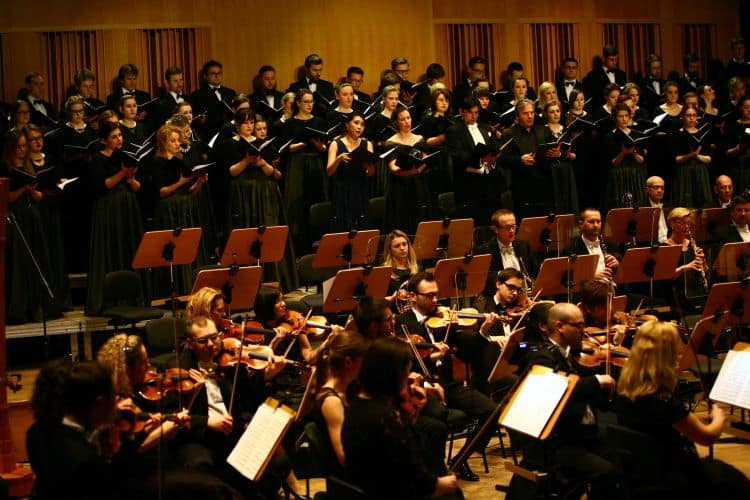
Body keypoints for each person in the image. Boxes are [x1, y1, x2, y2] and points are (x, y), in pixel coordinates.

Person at [615, 321, 750, 498]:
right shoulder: (663, 401)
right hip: (675, 476)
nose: (679, 355)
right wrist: (719, 417)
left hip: (643, 471)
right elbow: (707, 437)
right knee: (735, 479)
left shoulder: (624, 389)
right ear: (667, 355)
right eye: (676, 352)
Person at [397, 272, 499, 481]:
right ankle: (433, 471)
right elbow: (404, 363)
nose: (435, 300)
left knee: (492, 411)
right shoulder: (402, 324)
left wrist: (483, 331)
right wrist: (432, 356)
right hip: (422, 387)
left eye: (437, 295)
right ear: (413, 296)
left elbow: (465, 354)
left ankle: (460, 460)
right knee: (438, 421)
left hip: (448, 385)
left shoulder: (445, 320)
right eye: (429, 296)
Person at [511, 303, 620, 499]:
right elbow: (556, 389)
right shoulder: (541, 357)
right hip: (558, 442)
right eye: (578, 325)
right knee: (606, 472)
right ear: (560, 327)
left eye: (583, 324)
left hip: (583, 434)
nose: (583, 330)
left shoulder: (572, 353)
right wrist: (597, 381)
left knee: (627, 458)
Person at [341, 337, 460, 500]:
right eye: (406, 373)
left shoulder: (355, 403)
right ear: (392, 376)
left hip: (366, 487)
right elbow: (417, 481)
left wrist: (414, 411)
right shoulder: (386, 417)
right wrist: (447, 483)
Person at [219, 109, 299, 292]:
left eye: (251, 123)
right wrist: (247, 161)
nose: (249, 126)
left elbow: (274, 174)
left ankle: (271, 279)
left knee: (267, 233)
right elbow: (232, 172)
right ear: (237, 125)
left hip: (264, 192)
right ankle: (246, 283)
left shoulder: (263, 144)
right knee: (247, 233)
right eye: (245, 123)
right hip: (243, 193)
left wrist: (262, 163)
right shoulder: (229, 144)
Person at [27, 359, 121, 500]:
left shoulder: (35, 432)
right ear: (99, 404)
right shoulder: (88, 463)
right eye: (114, 397)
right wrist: (108, 460)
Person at [85, 121, 144, 315]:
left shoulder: (126, 156)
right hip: (108, 209)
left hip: (127, 207)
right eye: (114, 137)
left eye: (120, 135)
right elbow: (104, 186)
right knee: (110, 247)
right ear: (104, 140)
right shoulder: (97, 159)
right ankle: (110, 298)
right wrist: (122, 173)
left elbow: (137, 187)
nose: (119, 139)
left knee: (128, 246)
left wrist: (131, 178)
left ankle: (131, 296)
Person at [148, 124, 209, 296]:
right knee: (172, 250)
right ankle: (171, 290)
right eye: (173, 141)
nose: (177, 144)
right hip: (168, 211)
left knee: (186, 248)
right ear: (163, 143)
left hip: (184, 208)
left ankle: (188, 286)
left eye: (178, 140)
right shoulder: (157, 162)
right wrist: (181, 182)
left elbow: (189, 191)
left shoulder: (180, 161)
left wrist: (199, 182)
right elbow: (162, 191)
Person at [1, 129, 53, 324]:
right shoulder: (5, 168)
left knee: (36, 259)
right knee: (20, 262)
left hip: (32, 216)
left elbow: (38, 196)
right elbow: (7, 198)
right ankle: (19, 309)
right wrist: (23, 188)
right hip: (16, 218)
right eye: (19, 147)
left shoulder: (28, 165)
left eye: (24, 146)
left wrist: (34, 192)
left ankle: (37, 306)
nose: (22, 150)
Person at [311, 330, 368, 473]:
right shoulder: (331, 401)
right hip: (346, 477)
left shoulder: (349, 389)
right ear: (348, 362)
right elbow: (344, 457)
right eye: (363, 361)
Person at [282, 88, 329, 254]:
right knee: (297, 203)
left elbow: (324, 148)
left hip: (315, 162)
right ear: (298, 103)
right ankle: (298, 248)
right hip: (297, 163)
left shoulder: (319, 121)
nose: (310, 105)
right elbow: (287, 148)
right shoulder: (290, 123)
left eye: (311, 102)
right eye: (306, 102)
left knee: (316, 200)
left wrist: (318, 145)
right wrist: (304, 142)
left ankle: (317, 244)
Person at [445, 96, 500, 222]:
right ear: (461, 111)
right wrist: (479, 159)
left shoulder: (485, 127)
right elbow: (457, 155)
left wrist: (494, 158)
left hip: (489, 181)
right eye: (470, 112)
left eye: (476, 113)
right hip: (468, 184)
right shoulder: (454, 131)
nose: (474, 116)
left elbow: (494, 147)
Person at [383, 105, 434, 234]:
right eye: (402, 119)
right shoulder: (391, 142)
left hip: (419, 185)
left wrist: (425, 164)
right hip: (400, 188)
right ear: (396, 123)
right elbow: (394, 168)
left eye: (408, 118)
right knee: (403, 222)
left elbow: (425, 159)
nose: (407, 122)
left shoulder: (419, 139)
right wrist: (414, 171)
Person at [501, 99, 551, 218]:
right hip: (521, 185)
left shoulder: (543, 130)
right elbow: (502, 159)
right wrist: (520, 160)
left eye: (532, 113)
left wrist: (558, 153)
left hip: (543, 184)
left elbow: (553, 149)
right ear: (517, 116)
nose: (530, 116)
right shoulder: (509, 134)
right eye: (525, 113)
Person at [326, 111, 375, 231]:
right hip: (342, 190)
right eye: (356, 123)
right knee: (343, 226)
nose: (359, 127)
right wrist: (338, 160)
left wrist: (369, 167)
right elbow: (329, 172)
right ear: (347, 125)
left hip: (360, 189)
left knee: (361, 225)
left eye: (362, 124)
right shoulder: (336, 144)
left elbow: (371, 173)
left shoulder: (367, 144)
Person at [476, 208, 537, 296]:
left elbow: (534, 272)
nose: (511, 231)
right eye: (507, 228)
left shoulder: (524, 246)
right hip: (498, 298)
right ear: (496, 229)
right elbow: (482, 280)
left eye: (513, 226)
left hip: (524, 296)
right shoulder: (484, 251)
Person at [604, 103, 648, 210]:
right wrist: (623, 153)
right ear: (615, 118)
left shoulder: (637, 134)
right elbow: (614, 163)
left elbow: (641, 160)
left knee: (638, 205)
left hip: (636, 174)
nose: (624, 119)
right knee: (621, 206)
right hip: (619, 175)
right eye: (620, 116)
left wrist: (634, 152)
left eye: (626, 116)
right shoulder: (610, 136)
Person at [542, 100, 579, 215]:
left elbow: (574, 154)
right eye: (552, 112)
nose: (555, 114)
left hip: (566, 169)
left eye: (557, 111)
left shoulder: (567, 129)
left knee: (568, 200)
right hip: (551, 170)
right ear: (546, 114)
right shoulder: (543, 130)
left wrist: (565, 154)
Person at [673, 107, 712, 208]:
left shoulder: (703, 134)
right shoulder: (678, 134)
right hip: (684, 172)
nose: (691, 118)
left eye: (694, 115)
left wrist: (696, 155)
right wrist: (690, 155)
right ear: (683, 117)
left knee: (702, 204)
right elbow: (677, 159)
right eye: (688, 115)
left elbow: (709, 158)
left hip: (701, 172)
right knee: (686, 203)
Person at [568, 208, 620, 282]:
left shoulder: (611, 246)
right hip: (587, 288)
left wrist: (617, 265)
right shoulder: (572, 249)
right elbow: (569, 277)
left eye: (598, 221)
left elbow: (623, 274)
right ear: (581, 224)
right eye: (591, 222)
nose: (596, 225)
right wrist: (590, 277)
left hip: (611, 286)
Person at [190, 60, 237, 141]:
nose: (217, 76)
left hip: (230, 134)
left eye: (219, 73)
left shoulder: (231, 93)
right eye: (213, 73)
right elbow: (196, 118)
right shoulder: (197, 95)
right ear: (205, 76)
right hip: (209, 135)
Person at [382, 229, 420, 302]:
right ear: (389, 250)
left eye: (404, 244)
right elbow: (377, 301)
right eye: (397, 246)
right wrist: (392, 298)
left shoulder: (417, 267)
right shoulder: (384, 271)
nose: (402, 248)